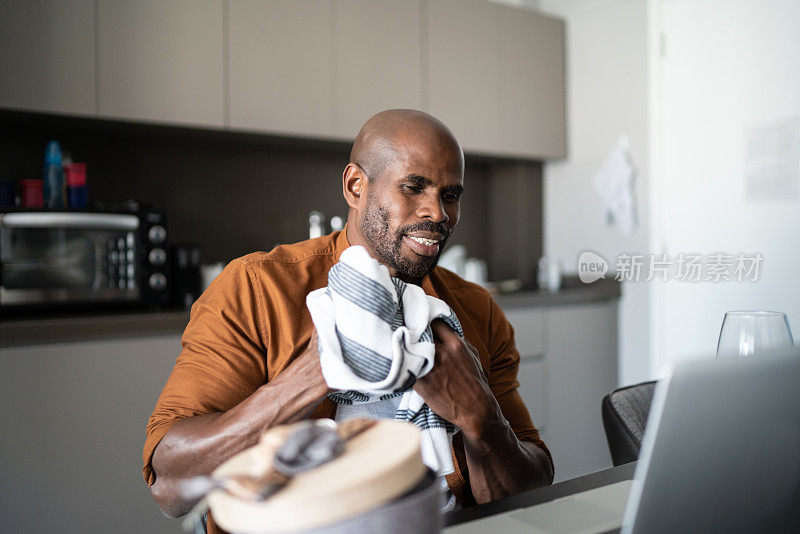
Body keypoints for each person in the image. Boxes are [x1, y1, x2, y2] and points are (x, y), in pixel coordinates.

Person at [143, 109, 553, 530]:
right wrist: (315, 373)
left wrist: (482, 418)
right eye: (414, 187)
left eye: (450, 195)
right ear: (356, 186)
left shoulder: (474, 311)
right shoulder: (256, 288)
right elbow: (170, 486)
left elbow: (534, 490)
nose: (438, 213)